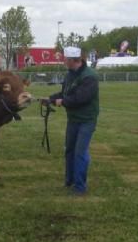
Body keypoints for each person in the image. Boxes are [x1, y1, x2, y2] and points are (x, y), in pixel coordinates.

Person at [46, 46, 100, 196]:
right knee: (69, 150)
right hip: (73, 119)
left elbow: (81, 98)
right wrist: (50, 99)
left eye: (65, 59)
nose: (63, 61)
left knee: (80, 152)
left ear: (72, 60)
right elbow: (65, 93)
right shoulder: (69, 75)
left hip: (87, 120)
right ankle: (69, 181)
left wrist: (62, 102)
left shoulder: (90, 77)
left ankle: (80, 187)